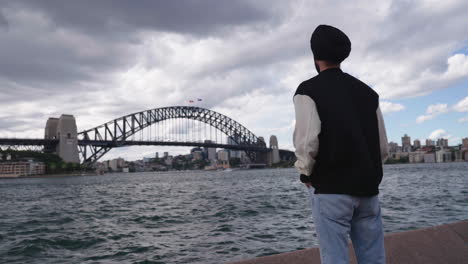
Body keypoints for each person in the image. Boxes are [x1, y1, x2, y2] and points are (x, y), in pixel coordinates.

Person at [293, 24, 389, 264]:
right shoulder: (369, 93)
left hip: (330, 191)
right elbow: (382, 148)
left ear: (315, 56)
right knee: (373, 258)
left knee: (334, 258)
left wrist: (305, 174)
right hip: (367, 189)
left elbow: (307, 142)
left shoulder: (307, 91)